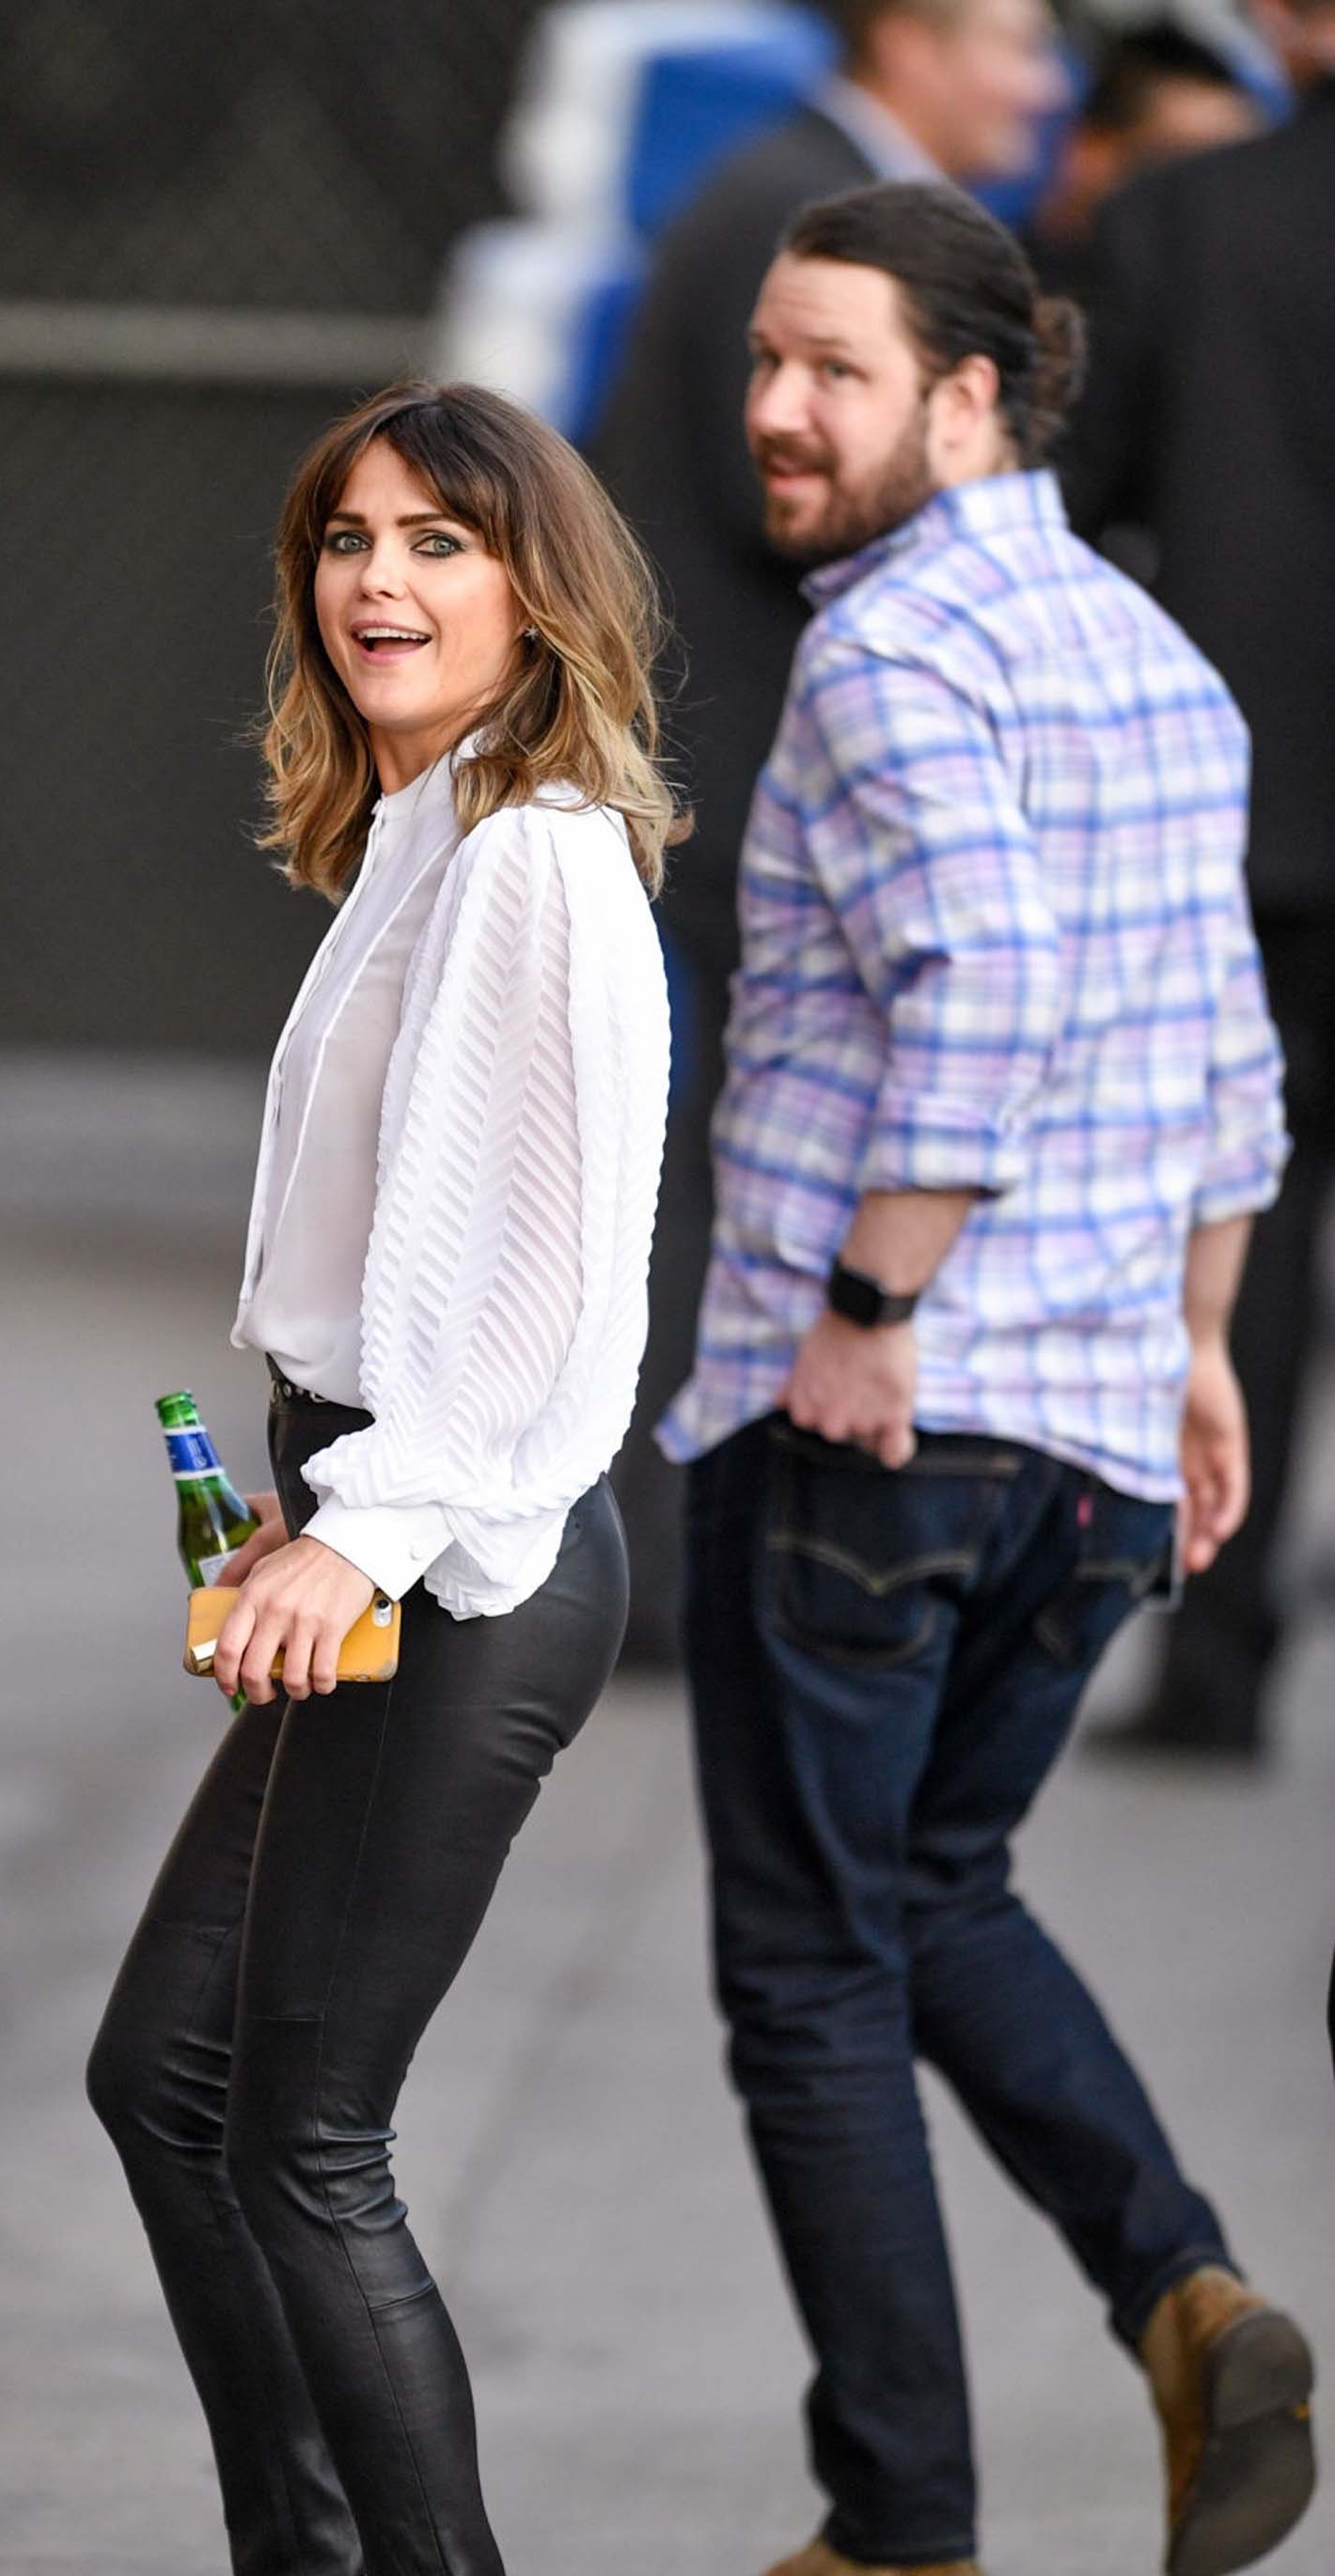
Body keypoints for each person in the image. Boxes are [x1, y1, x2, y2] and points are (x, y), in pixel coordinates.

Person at [642, 183, 1313, 2576]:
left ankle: (898, 2533)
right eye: (757, 365)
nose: (770, 412)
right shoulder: (1148, 654)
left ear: (964, 393)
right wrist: (1197, 1341)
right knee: (932, 1895)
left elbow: (990, 993)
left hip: (883, 1424)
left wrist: (856, 1300)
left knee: (809, 1963)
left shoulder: (887, 663)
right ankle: (1180, 2300)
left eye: (825, 369)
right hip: (1091, 1438)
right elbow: (1226, 1058)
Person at [87, 383, 675, 2576]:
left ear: (536, 584)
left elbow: (558, 1307)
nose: (380, 583)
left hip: (466, 1558)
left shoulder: (538, 858)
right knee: (163, 2078)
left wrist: (376, 1522)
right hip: (363, 1519)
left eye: (439, 541)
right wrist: (299, 1506)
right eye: (345, 542)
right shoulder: (424, 829)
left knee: (298, 2135)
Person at [590, 0, 1067, 1668]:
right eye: (1010, 41)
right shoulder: (790, 216)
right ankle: (644, 1563)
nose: (1039, 83)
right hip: (734, 767)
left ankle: (680, 1549)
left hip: (752, 759)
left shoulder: (815, 203)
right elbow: (794, 494)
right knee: (709, 1172)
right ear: (907, 36)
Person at [1063, 0, 1335, 1759]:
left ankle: (1217, 1666)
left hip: (1265, 816)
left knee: (1251, 1226)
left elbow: (1082, 495)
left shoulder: (1183, 216)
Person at [1029, 18, 1262, 298]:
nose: (1209, 196)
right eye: (1175, 162)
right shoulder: (1002, 299)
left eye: (1231, 172)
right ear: (1090, 149)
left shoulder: (1235, 306)